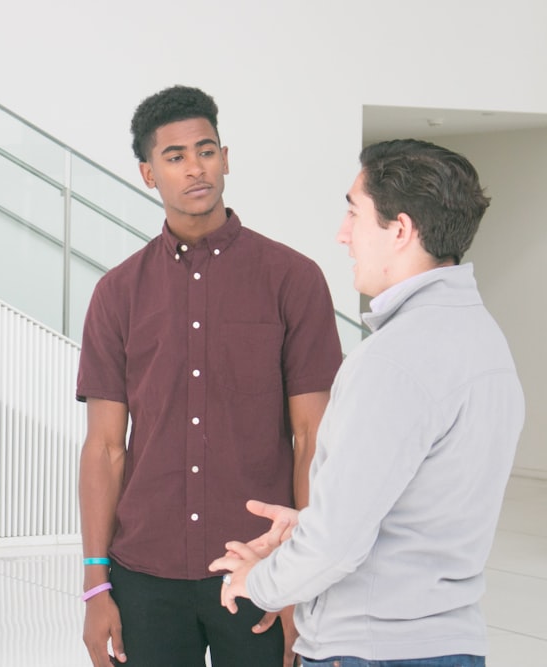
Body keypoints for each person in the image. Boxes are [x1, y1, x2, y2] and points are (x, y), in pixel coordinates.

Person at [211, 139, 525, 667]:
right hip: (450, 645)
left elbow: (338, 545)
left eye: (354, 212)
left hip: (374, 651)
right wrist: (310, 527)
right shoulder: (486, 342)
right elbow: (420, 506)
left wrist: (258, 581)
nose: (342, 233)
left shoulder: (394, 359)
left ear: (400, 230)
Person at [76, 85, 342, 667]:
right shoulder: (116, 294)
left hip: (262, 574)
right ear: (148, 173)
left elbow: (312, 441)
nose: (196, 168)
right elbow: (103, 448)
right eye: (175, 157)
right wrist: (97, 587)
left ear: (226, 156)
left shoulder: (293, 280)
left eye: (207, 150)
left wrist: (304, 583)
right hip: (144, 576)